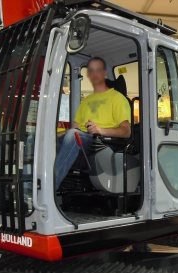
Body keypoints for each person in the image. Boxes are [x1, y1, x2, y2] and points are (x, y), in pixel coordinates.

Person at [55, 57, 131, 188]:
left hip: (103, 142)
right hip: (82, 138)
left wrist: (100, 130)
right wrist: (54, 136)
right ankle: (29, 185)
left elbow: (126, 131)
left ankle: (49, 187)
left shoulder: (118, 99)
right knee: (37, 140)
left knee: (74, 135)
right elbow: (75, 128)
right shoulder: (87, 100)